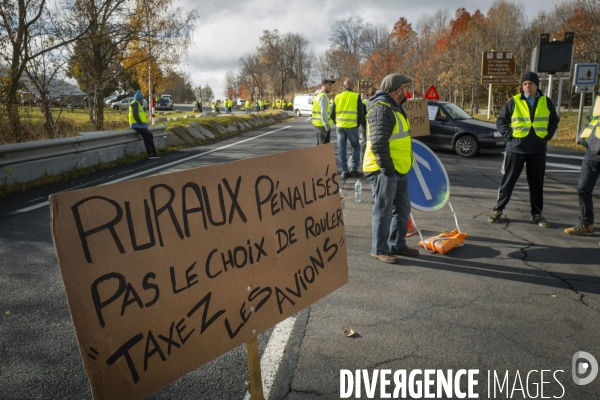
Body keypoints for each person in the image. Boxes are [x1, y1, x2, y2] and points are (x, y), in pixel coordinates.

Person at [488, 71, 559, 227]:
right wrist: (510, 136)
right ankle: (498, 210)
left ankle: (537, 214)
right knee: (508, 181)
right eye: (525, 84)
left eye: (531, 83)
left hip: (538, 149)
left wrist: (548, 135)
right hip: (516, 148)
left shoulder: (546, 102)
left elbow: (554, 120)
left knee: (536, 184)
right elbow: (501, 122)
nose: (528, 86)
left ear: (537, 85)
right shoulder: (514, 101)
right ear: (522, 86)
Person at [363, 74, 419, 263]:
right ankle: (379, 249)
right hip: (383, 169)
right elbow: (379, 143)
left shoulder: (395, 108)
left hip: (398, 169)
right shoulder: (381, 109)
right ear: (398, 90)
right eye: (405, 87)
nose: (407, 91)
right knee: (384, 209)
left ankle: (398, 244)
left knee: (402, 209)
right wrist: (387, 169)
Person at [564, 89, 600, 236]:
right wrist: (584, 138)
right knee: (583, 188)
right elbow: (590, 118)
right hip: (593, 149)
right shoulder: (599, 96)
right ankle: (586, 223)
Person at [331, 79, 364, 179]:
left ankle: (344, 171)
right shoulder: (356, 96)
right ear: (353, 86)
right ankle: (354, 170)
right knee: (356, 147)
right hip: (352, 126)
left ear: (343, 86)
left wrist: (337, 123)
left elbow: (332, 114)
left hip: (340, 126)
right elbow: (361, 113)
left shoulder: (337, 97)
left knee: (341, 148)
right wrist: (357, 124)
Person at [129, 90, 159, 160]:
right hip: (137, 125)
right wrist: (140, 122)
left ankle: (152, 153)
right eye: (142, 98)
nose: (143, 100)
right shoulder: (135, 103)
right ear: (139, 99)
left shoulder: (137, 104)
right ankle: (152, 153)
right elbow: (135, 115)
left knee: (147, 138)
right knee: (149, 136)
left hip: (139, 125)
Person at [312, 78, 334, 145]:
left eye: (331, 85)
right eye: (329, 84)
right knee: (324, 149)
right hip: (322, 126)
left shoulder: (317, 95)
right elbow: (323, 111)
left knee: (319, 146)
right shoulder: (323, 96)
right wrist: (326, 125)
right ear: (324, 85)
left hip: (317, 124)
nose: (331, 86)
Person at [360, 87, 377, 164]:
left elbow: (361, 114)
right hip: (372, 124)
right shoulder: (376, 102)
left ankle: (363, 160)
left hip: (364, 124)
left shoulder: (364, 102)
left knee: (364, 141)